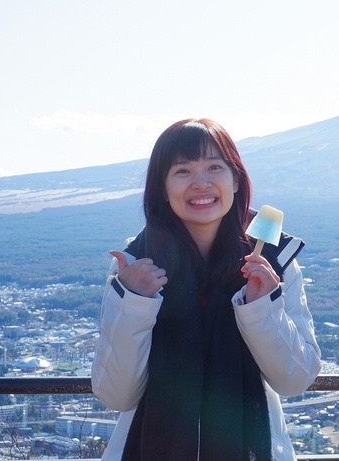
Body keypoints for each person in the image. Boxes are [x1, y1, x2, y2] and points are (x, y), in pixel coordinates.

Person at [92, 118, 321, 460]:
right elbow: (117, 396)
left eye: (215, 167)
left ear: (236, 181)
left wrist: (261, 306)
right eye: (182, 171)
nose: (201, 183)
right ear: (162, 189)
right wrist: (134, 301)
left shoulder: (273, 263)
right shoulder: (133, 268)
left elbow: (294, 380)